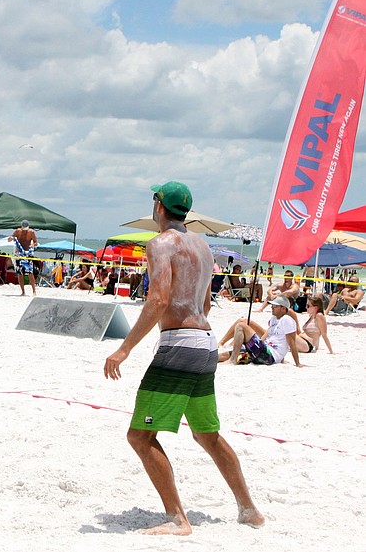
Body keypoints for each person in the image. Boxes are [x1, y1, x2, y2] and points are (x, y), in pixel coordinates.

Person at [104, 181, 264, 535]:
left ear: (159, 207)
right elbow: (205, 304)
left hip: (178, 345)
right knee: (208, 435)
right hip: (205, 342)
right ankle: (249, 509)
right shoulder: (203, 247)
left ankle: (178, 518)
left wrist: (124, 347)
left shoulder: (161, 244)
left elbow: (159, 300)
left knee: (140, 437)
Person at [217, 296, 302, 367]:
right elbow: (269, 338)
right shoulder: (274, 319)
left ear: (283, 309)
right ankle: (211, 359)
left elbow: (292, 343)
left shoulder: (287, 320)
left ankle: (233, 361)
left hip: (268, 355)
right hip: (261, 353)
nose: (272, 307)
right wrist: (281, 358)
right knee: (224, 355)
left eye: (275, 306)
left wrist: (297, 363)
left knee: (241, 326)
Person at [8, 220, 38, 296]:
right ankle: (23, 291)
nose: (25, 231)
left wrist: (33, 245)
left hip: (28, 253)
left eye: (26, 229)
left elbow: (36, 242)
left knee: (30, 273)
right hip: (19, 254)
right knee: (20, 273)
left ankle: (34, 291)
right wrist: (10, 238)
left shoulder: (31, 232)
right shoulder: (18, 231)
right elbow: (10, 238)